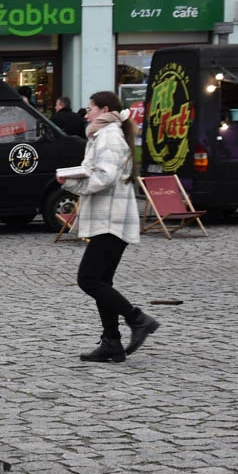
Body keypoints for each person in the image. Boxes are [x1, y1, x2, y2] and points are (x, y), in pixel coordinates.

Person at [57, 91, 159, 362]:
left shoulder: (109, 136)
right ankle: (111, 341)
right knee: (102, 281)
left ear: (104, 109)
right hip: (109, 218)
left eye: (90, 108)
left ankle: (138, 319)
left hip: (112, 220)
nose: (86, 113)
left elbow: (105, 176)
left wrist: (72, 183)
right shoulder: (103, 134)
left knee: (88, 279)